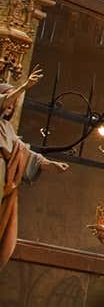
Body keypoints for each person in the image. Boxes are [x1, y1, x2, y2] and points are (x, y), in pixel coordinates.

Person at [0, 69, 65, 269]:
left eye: (14, 105)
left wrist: (50, 164)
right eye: (8, 101)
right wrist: (23, 87)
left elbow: (24, 153)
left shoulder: (8, 129)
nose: (10, 106)